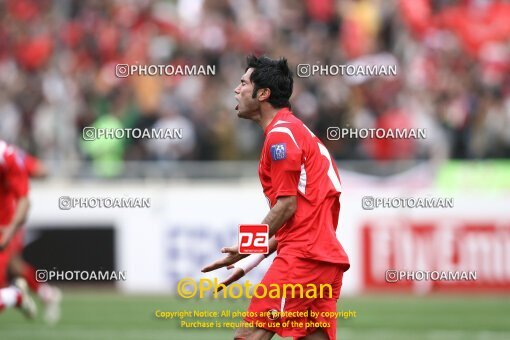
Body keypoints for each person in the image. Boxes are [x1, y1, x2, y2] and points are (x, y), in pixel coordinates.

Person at [202, 56, 350, 340]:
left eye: (243, 83)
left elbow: (286, 206)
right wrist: (250, 261)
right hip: (321, 258)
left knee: (248, 335)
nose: (236, 90)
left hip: (303, 258)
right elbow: (302, 217)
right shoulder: (295, 131)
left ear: (263, 94)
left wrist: (246, 247)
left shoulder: (281, 136)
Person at [0, 140, 36, 318]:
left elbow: (24, 199)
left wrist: (10, 230)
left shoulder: (7, 156)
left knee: (16, 265)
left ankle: (16, 295)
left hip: (3, 230)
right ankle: (14, 295)